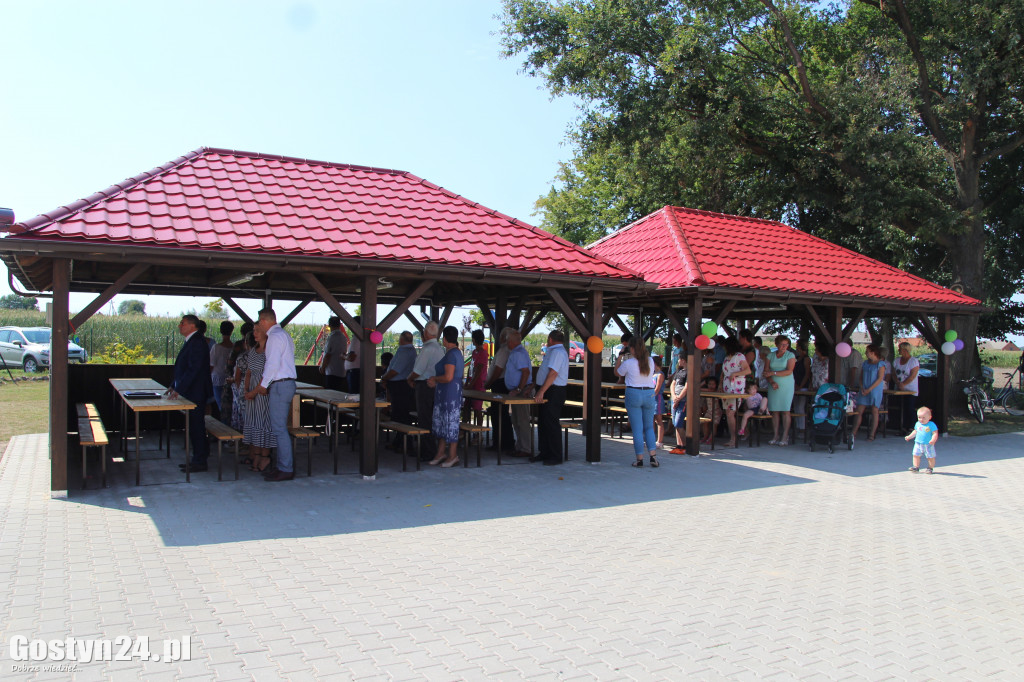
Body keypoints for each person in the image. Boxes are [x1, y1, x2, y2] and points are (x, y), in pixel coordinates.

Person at [255, 308, 297, 482]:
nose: (259, 326)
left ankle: (285, 468)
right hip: (285, 384)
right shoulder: (284, 335)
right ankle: (282, 466)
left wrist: (263, 384)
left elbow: (272, 364)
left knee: (279, 429)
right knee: (279, 428)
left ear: (264, 321)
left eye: (259, 322)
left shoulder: (274, 336)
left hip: (281, 384)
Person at [171, 314, 213, 473]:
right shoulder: (191, 341)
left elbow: (193, 369)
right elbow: (182, 368)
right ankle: (197, 457)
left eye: (183, 323)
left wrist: (179, 388)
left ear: (192, 326)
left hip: (196, 391)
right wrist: (173, 385)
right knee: (193, 426)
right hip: (191, 391)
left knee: (196, 426)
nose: (180, 326)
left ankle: (200, 460)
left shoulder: (197, 342)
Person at [616, 336, 659, 468]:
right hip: (649, 393)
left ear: (632, 348)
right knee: (649, 427)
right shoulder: (650, 361)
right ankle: (653, 457)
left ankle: (639, 459)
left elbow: (617, 372)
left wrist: (620, 356)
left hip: (633, 393)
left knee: (637, 429)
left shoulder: (629, 363)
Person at [426, 325, 464, 467]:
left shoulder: (451, 354)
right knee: (443, 422)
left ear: (444, 338)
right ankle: (441, 452)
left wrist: (435, 379)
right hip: (448, 392)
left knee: (451, 423)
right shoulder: (455, 353)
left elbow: (448, 377)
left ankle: (453, 455)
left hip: (450, 393)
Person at [408, 321, 444, 460]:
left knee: (424, 418)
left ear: (426, 333)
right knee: (431, 418)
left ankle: (427, 451)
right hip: (435, 385)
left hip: (424, 385)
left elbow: (418, 370)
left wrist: (409, 379)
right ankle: (430, 449)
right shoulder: (439, 348)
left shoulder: (427, 348)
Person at [532, 330, 569, 465]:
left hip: (554, 390)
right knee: (543, 422)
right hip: (548, 389)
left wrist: (541, 391)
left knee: (551, 422)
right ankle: (545, 452)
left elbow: (553, 373)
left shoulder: (558, 352)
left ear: (550, 339)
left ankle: (555, 455)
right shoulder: (553, 351)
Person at [242, 326, 274, 473]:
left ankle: (264, 456)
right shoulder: (253, 351)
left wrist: (254, 392)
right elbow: (248, 372)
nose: (254, 334)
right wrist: (246, 389)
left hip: (262, 392)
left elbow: (267, 375)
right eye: (253, 331)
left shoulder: (269, 352)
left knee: (263, 423)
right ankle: (255, 454)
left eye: (257, 331)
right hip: (252, 393)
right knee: (253, 422)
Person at [380, 331, 417, 447]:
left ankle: (404, 443)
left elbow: (395, 370)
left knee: (401, 415)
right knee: (400, 415)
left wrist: (384, 378)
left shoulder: (405, 351)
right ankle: (399, 441)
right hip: (401, 385)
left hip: (400, 386)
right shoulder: (410, 350)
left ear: (402, 339)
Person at [503, 329, 535, 457]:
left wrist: (518, 389)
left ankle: (526, 449)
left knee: (522, 420)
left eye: (507, 340)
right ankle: (520, 447)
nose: (506, 343)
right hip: (519, 391)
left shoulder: (518, 353)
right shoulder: (516, 352)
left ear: (511, 342)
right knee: (516, 420)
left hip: (522, 391)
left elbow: (525, 372)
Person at [485, 327, 516, 454]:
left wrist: (489, 382)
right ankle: (501, 441)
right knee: (498, 413)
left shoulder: (504, 351)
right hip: (499, 383)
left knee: (499, 414)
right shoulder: (505, 350)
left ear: (504, 338)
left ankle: (502, 443)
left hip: (499, 384)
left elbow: (498, 370)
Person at [764, 334, 796, 446]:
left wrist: (774, 373)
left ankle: (785, 435)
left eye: (786, 344)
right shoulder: (770, 355)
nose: (784, 346)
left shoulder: (790, 355)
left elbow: (789, 370)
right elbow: (766, 371)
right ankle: (775, 435)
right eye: (782, 344)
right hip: (773, 384)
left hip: (786, 384)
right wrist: (771, 381)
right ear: (777, 344)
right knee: (775, 410)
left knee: (785, 410)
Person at [720, 337, 752, 448]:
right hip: (726, 387)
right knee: (729, 414)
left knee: (730, 413)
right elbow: (723, 373)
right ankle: (741, 433)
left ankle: (733, 439)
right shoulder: (726, 357)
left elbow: (747, 370)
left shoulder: (739, 356)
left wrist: (735, 374)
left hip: (736, 387)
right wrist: (720, 384)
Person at [850, 344, 886, 442]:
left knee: (875, 411)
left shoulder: (881, 364)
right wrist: (862, 387)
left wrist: (869, 389)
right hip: (864, 389)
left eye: (868, 351)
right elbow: (861, 376)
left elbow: (880, 379)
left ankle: (872, 434)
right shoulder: (865, 363)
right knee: (859, 410)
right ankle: (853, 432)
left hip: (874, 390)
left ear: (873, 352)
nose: (866, 353)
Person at [893, 342, 921, 430]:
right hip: (899, 389)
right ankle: (902, 427)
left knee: (909, 408)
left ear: (905, 350)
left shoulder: (913, 361)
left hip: (910, 389)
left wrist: (903, 384)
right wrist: (897, 382)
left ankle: (911, 427)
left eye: (900, 349)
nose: (898, 350)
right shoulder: (897, 360)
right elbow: (893, 373)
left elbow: (912, 375)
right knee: (901, 408)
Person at [210, 320, 234, 419]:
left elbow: (211, 364)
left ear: (220, 330)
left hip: (217, 380)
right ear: (232, 331)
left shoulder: (216, 347)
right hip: (230, 380)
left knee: (221, 406)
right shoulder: (234, 347)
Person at [464, 329, 488, 425]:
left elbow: (479, 370)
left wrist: (471, 384)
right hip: (471, 382)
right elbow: (471, 367)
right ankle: (464, 429)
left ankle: (479, 433)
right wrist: (467, 382)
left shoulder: (483, 353)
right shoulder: (474, 352)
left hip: (478, 384)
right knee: (466, 406)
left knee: (477, 409)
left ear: (475, 339)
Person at [905, 405, 938, 474]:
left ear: (929, 417)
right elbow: (915, 431)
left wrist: (933, 440)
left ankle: (930, 468)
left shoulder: (931, 425)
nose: (921, 419)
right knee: (915, 455)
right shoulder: (918, 424)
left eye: (924, 418)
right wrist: (909, 436)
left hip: (928, 444)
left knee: (930, 456)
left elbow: (935, 433)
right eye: (919, 417)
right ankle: (916, 467)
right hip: (918, 443)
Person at [668, 352, 690, 455]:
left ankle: (685, 445)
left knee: (678, 422)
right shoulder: (678, 371)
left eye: (679, 359)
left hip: (682, 400)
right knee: (674, 423)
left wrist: (679, 398)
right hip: (675, 398)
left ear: (683, 360)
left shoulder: (689, 372)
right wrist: (673, 396)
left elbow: (686, 387)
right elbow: (673, 384)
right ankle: (678, 445)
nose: (678, 361)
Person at [320, 316, 347, 392]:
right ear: (339, 325)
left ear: (329, 325)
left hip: (331, 371)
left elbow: (328, 355)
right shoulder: (343, 337)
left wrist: (323, 367)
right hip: (341, 371)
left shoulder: (332, 337)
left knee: (330, 394)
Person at [792, 339, 813, 433]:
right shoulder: (796, 358)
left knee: (800, 406)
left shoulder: (806, 359)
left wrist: (801, 386)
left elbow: (807, 373)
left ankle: (802, 428)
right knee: (796, 406)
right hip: (795, 383)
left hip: (803, 385)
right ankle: (797, 426)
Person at [344, 316, 362, 394]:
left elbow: (351, 357)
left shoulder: (356, 338)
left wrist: (343, 356)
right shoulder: (359, 338)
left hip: (354, 372)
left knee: (354, 395)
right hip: (356, 372)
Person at [652, 356, 666, 449]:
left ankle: (659, 441)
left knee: (658, 420)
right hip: (651, 399)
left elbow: (657, 389)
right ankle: (651, 439)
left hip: (657, 399)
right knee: (651, 420)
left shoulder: (660, 375)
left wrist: (650, 396)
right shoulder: (652, 374)